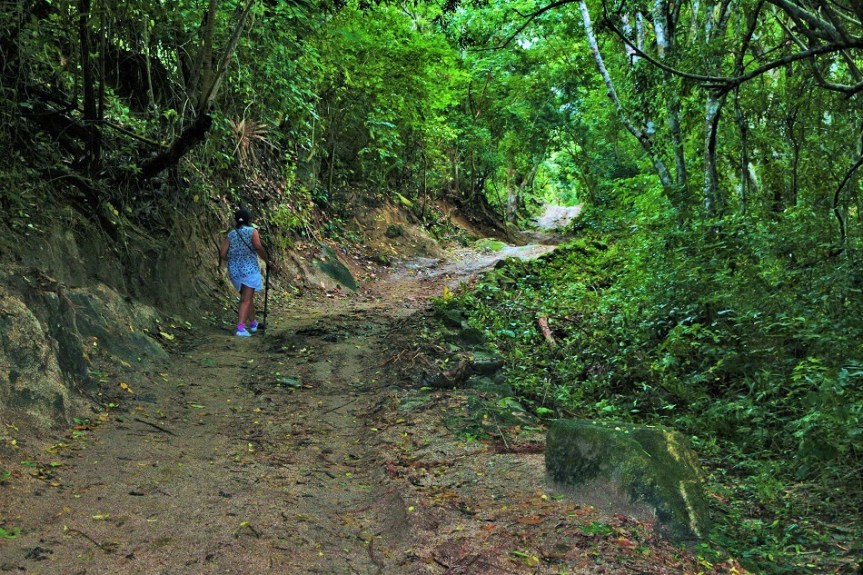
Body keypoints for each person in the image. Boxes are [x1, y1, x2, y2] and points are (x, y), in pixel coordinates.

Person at [219, 208, 270, 337]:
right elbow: (258, 247)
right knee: (246, 300)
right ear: (248, 220)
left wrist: (234, 260)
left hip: (234, 271)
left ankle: (253, 324)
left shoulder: (231, 234)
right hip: (249, 270)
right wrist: (267, 260)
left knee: (246, 297)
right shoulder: (252, 231)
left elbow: (222, 254)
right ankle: (240, 328)